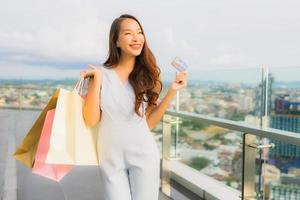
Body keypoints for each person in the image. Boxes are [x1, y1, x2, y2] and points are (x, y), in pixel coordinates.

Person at [80, 14, 187, 200]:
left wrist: (172, 91)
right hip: (110, 157)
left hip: (144, 153)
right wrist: (96, 80)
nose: (136, 38)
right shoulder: (100, 75)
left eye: (139, 32)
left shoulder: (148, 76)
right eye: (128, 33)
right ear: (116, 41)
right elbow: (90, 120)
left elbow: (149, 123)